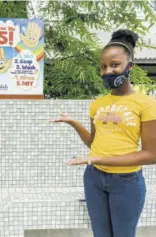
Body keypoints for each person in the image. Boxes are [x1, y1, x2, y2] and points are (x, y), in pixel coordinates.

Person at [51, 29, 156, 237]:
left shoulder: (146, 104)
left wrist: (101, 158)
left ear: (130, 66)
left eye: (115, 65)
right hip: (94, 178)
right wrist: (74, 123)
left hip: (126, 182)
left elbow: (151, 155)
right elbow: (93, 142)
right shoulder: (97, 104)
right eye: (103, 67)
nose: (108, 71)